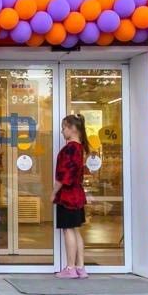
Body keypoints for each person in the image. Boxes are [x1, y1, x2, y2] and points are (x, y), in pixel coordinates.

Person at [53, 114, 90, 279]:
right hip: (77, 194)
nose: (62, 131)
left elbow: (64, 175)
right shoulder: (80, 148)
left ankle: (70, 268)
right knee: (75, 230)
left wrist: (54, 192)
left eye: (64, 128)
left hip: (67, 196)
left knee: (68, 229)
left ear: (72, 128)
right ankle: (80, 267)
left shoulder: (70, 148)